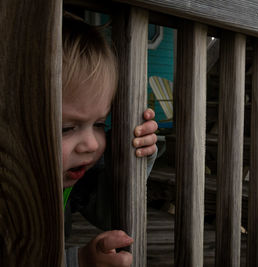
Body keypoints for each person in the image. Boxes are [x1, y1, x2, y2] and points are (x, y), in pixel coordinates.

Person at [61, 14, 158, 266]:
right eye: (67, 128)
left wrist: (130, 159)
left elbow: (106, 213)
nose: (91, 144)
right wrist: (77, 262)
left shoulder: (70, 172)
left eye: (99, 124)